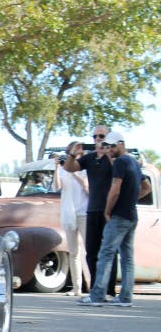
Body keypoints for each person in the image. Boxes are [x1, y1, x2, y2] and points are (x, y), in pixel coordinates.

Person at [78, 132, 151, 307]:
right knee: (127, 256)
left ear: (120, 144)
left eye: (111, 146)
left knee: (106, 254)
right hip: (131, 215)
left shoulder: (120, 162)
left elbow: (115, 188)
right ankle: (125, 297)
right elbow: (146, 187)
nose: (108, 149)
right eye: (106, 146)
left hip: (119, 216)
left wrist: (108, 211)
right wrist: (131, 199)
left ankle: (97, 296)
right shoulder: (133, 162)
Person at [63, 125, 117, 296]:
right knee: (91, 251)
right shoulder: (90, 158)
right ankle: (95, 289)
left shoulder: (114, 158)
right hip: (92, 210)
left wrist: (108, 152)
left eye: (101, 136)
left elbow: (119, 172)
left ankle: (109, 290)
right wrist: (72, 153)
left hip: (109, 210)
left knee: (108, 250)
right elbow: (69, 168)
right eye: (95, 137)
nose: (97, 139)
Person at [53, 148, 89, 296]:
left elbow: (87, 188)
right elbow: (57, 187)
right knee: (73, 252)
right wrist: (57, 167)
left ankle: (92, 285)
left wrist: (74, 172)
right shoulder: (63, 170)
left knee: (88, 251)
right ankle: (77, 287)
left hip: (83, 213)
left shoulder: (85, 170)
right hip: (69, 214)